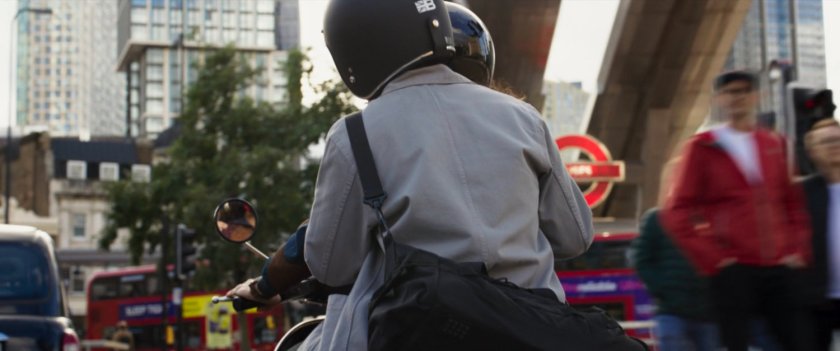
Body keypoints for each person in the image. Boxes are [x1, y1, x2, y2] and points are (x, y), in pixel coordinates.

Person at [227, 1, 595, 350]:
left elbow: (331, 265)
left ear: (351, 49)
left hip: (424, 332)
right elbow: (575, 237)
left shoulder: (355, 134)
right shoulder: (523, 117)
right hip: (536, 330)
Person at [660, 70, 813, 351]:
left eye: (744, 90)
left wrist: (797, 250)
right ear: (719, 98)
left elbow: (793, 203)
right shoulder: (702, 146)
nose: (737, 97)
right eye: (730, 91)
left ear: (757, 95)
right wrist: (714, 259)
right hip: (733, 269)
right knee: (735, 344)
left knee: (798, 341)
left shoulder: (775, 144)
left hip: (780, 266)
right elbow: (677, 210)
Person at [631, 160, 719, 351]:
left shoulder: (711, 219)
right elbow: (641, 259)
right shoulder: (656, 219)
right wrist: (664, 290)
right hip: (672, 313)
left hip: (708, 313)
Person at [801, 117, 840, 351]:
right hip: (817, 300)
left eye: (837, 139)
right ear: (811, 152)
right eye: (825, 142)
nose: (834, 146)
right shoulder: (802, 193)